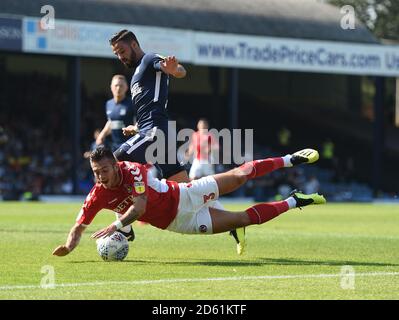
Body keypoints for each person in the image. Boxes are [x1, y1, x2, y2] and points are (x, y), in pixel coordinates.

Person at [108, 29, 244, 253]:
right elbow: (151, 108)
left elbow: (178, 70)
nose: (120, 57)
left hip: (155, 133)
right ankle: (234, 222)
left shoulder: (150, 59)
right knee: (189, 189)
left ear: (134, 44)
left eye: (122, 51)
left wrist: (175, 70)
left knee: (111, 164)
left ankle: (124, 228)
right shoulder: (137, 75)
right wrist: (137, 127)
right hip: (153, 132)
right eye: (116, 54)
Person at [52, 147, 325, 257]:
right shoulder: (97, 194)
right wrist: (68, 245)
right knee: (243, 219)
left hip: (186, 194)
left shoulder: (132, 170)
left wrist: (117, 225)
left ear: (115, 165)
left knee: (239, 175)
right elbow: (79, 226)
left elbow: (140, 206)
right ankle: (294, 201)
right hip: (181, 222)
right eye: (95, 172)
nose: (100, 177)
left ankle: (290, 159)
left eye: (104, 170)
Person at [96, 75, 135, 152]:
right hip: (114, 146)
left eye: (121, 85)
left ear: (127, 87)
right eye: (116, 85)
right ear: (111, 87)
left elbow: (138, 123)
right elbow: (110, 122)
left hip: (129, 146)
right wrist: (102, 135)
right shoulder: (109, 104)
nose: (118, 88)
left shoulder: (132, 103)